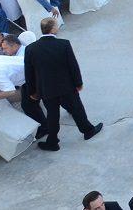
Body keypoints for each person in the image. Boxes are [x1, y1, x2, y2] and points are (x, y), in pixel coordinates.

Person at [24, 16, 102, 150]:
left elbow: (29, 73)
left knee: (53, 115)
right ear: (53, 28)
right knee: (77, 109)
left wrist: (33, 91)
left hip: (46, 89)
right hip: (66, 86)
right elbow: (73, 66)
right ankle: (88, 131)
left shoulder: (30, 49)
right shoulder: (64, 44)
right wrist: (78, 83)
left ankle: (52, 142)